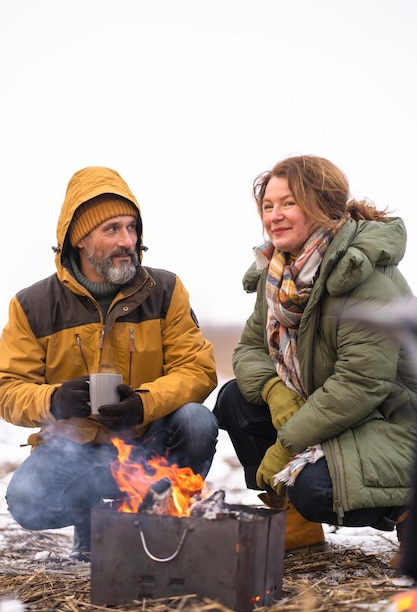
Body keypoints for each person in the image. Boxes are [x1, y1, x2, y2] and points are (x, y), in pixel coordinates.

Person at [0, 166, 218, 561]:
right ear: (79, 239)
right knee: (26, 499)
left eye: (132, 228)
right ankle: (94, 520)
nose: (128, 241)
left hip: (149, 438)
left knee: (197, 421)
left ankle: (162, 520)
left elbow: (198, 370)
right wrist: (54, 401)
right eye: (112, 229)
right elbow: (7, 389)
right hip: (76, 448)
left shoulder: (165, 290)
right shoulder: (32, 305)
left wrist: (143, 404)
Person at [215, 154, 417, 561]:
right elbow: (250, 349)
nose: (275, 216)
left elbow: (360, 385)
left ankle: (408, 513)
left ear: (321, 207)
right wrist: (275, 392)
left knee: (316, 488)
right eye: (268, 206)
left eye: (288, 203)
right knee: (235, 399)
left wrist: (287, 442)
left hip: (393, 423)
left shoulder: (365, 277)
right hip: (338, 417)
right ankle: (296, 524)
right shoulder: (276, 275)